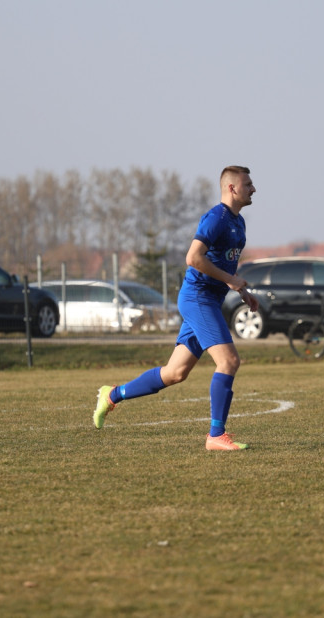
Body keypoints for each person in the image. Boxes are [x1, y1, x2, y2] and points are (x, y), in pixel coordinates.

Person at [93, 166, 259, 450]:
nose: (253, 189)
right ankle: (216, 436)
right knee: (229, 361)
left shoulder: (238, 223)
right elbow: (193, 257)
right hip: (197, 298)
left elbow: (222, 265)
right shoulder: (216, 218)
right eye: (248, 184)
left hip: (207, 300)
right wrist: (231, 280)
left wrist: (241, 290)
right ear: (231, 188)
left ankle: (112, 395)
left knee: (174, 373)